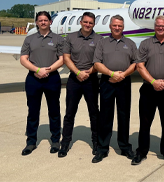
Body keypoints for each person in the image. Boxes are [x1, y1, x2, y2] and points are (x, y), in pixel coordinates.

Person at [131, 15, 164, 166]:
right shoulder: (146, 43)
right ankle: (141, 152)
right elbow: (140, 66)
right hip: (148, 89)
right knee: (145, 122)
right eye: (158, 26)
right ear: (154, 27)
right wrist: (153, 82)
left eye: (163, 26)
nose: (160, 28)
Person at [92, 15, 137, 163]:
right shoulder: (102, 43)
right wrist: (111, 74)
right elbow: (97, 63)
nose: (117, 28)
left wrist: (122, 74)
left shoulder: (130, 43)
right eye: (115, 25)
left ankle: (125, 147)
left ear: (123, 27)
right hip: (107, 81)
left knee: (124, 115)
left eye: (120, 26)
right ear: (110, 26)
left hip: (124, 81)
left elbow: (135, 63)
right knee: (105, 115)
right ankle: (102, 148)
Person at [19, 11, 64, 156]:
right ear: (37, 22)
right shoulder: (29, 39)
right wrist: (37, 70)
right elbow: (23, 58)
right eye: (40, 20)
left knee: (54, 111)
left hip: (52, 78)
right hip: (33, 78)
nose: (43, 22)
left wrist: (48, 70)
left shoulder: (58, 39)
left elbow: (62, 59)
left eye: (45, 20)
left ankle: (56, 140)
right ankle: (31, 142)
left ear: (51, 22)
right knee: (32, 111)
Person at [58, 12, 102, 158]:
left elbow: (100, 61)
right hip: (74, 80)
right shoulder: (70, 37)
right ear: (81, 22)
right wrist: (78, 72)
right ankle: (65, 143)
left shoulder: (99, 39)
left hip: (91, 79)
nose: (87, 24)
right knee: (70, 113)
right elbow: (66, 58)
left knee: (94, 113)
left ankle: (96, 143)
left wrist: (89, 72)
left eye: (90, 23)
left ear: (94, 24)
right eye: (85, 22)